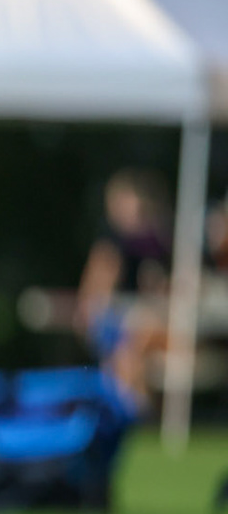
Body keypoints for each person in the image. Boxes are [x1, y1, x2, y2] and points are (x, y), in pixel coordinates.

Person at [76, 168, 172, 408]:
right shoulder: (111, 243)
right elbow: (95, 289)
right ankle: (130, 409)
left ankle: (130, 409)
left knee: (133, 349)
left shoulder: (158, 243)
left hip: (146, 321)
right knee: (128, 353)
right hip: (119, 321)